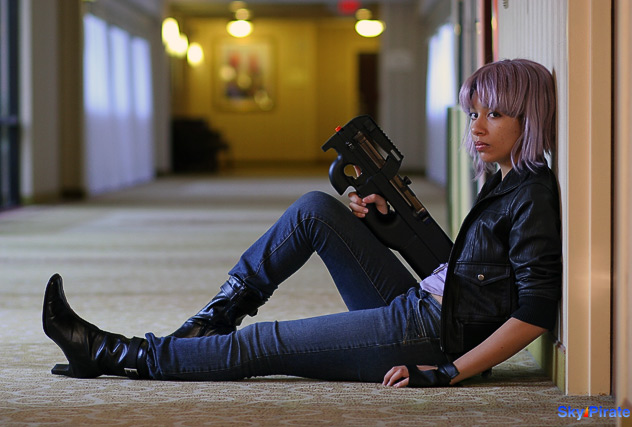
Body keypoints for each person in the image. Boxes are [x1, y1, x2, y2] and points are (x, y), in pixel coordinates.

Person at [42, 58, 562, 388]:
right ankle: (210, 322)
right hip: (424, 306)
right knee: (316, 209)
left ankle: (111, 353)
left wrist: (447, 373)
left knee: (264, 344)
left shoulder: (531, 194)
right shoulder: (504, 179)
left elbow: (535, 311)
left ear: (529, 117)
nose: (477, 128)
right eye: (473, 114)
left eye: (494, 115)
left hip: (431, 335)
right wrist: (385, 226)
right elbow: (472, 277)